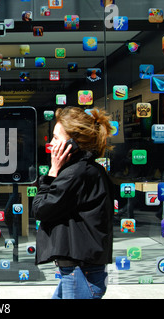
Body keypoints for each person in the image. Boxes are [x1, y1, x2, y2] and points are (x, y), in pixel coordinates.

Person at [32, 107, 114, 299]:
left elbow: (40, 209)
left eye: (55, 138)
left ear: (71, 144)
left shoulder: (76, 174)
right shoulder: (84, 170)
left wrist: (52, 172)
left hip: (81, 272)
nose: (50, 144)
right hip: (80, 270)